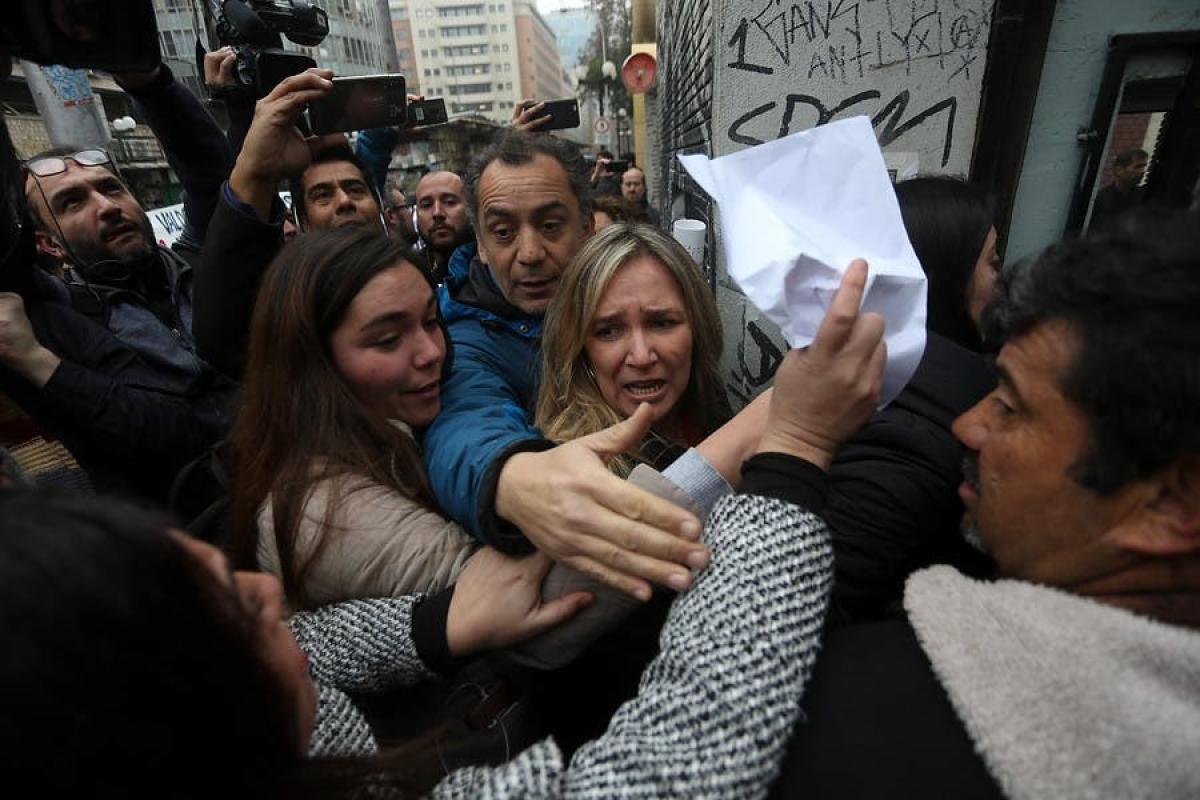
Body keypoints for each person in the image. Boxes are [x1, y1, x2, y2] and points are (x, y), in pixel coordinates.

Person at [0, 259, 889, 796]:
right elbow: (676, 755)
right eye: (388, 336)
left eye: (432, 320)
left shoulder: (399, 429)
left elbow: (313, 637)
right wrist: (790, 443)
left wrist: (435, 620)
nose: (433, 351)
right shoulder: (319, 506)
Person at [771, 211, 1200, 798]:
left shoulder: (859, 726)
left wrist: (793, 443)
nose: (968, 426)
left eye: (1011, 407)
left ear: (1173, 504)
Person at [423, 130, 707, 603]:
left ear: (587, 226)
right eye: (503, 232)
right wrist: (511, 477)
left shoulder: (627, 279)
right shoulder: (467, 344)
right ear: (481, 244)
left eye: (551, 225)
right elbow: (465, 422)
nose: (530, 253)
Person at [821, 175, 998, 623]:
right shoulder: (907, 430)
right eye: (993, 263)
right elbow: (804, 609)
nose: (1003, 282)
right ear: (943, 276)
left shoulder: (896, 397)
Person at [193, 68, 389, 378]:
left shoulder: (415, 280)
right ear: (302, 223)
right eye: (322, 195)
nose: (344, 201)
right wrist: (256, 174)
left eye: (355, 189)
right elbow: (223, 337)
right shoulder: (289, 309)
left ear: (379, 207)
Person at [536, 223, 736, 477]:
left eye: (662, 323)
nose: (641, 357)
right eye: (609, 331)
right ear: (580, 349)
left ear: (697, 327)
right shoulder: (577, 474)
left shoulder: (708, 400)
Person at [413, 170, 473, 282]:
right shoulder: (412, 272)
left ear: (470, 208)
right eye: (427, 205)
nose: (437, 213)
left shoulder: (491, 266)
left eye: (449, 202)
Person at [1089, 147, 1147, 232]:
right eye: (1137, 167)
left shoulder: (1143, 196)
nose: (1142, 171)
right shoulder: (1102, 198)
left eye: (1144, 166)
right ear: (1119, 170)